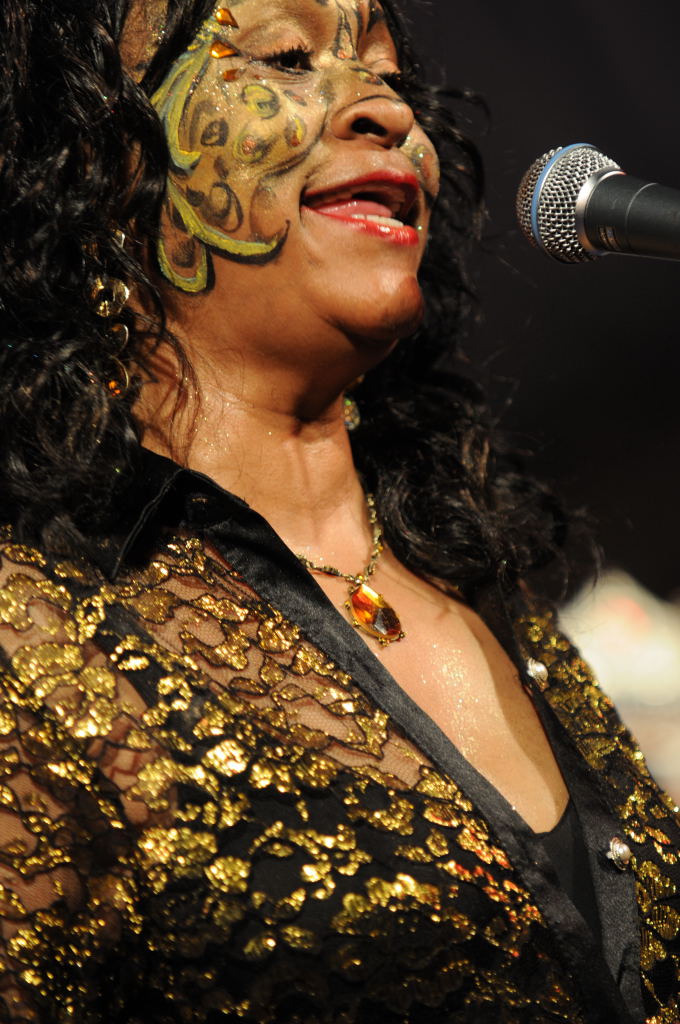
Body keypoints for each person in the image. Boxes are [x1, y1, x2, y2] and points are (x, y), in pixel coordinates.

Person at [0, 0, 678, 1021]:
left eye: (391, 77)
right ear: (97, 164)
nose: (385, 111)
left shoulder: (484, 599)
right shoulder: (40, 641)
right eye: (285, 56)